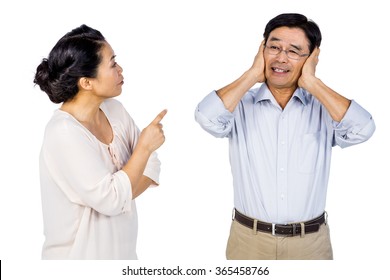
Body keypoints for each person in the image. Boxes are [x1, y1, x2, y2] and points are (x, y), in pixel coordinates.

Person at [194, 13, 375, 260]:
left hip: (310, 244)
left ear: (311, 58)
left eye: (293, 51)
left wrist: (313, 82)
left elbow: (364, 128)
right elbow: (205, 116)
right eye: (274, 47)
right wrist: (251, 75)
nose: (280, 57)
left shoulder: (324, 108)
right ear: (262, 50)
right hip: (249, 241)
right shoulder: (240, 104)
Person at [34, 24, 167, 259]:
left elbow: (152, 166)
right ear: (86, 82)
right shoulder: (63, 133)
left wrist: (121, 191)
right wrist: (144, 147)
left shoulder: (115, 111)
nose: (121, 69)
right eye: (113, 63)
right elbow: (113, 199)